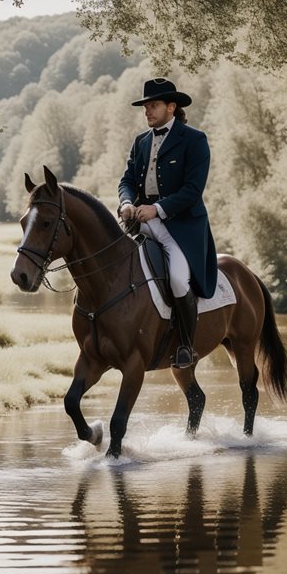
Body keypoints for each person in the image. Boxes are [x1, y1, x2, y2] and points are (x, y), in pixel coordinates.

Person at [118, 77, 218, 368]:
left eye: (154, 106)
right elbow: (127, 180)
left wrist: (158, 209)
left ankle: (186, 346)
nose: (147, 111)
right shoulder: (141, 141)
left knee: (176, 278)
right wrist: (126, 202)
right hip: (141, 220)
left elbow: (192, 190)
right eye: (146, 107)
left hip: (180, 226)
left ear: (171, 107)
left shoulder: (195, 140)